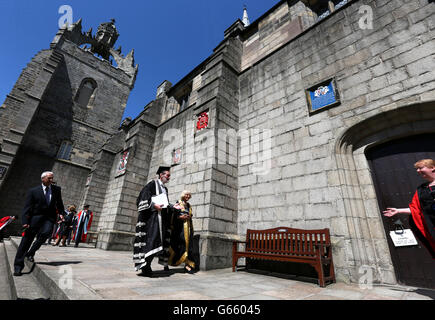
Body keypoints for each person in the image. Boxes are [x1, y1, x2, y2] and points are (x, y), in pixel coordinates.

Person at [13, 171, 65, 276]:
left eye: (52, 178)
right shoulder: (33, 191)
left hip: (49, 219)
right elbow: (27, 208)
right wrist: (25, 222)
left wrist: (61, 213)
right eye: (49, 178)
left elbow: (59, 203)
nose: (51, 180)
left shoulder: (56, 190)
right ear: (43, 179)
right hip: (34, 219)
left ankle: (31, 252)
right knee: (26, 242)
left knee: (46, 233)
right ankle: (18, 266)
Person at [383, 159, 435, 257]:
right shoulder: (422, 189)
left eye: (421, 168)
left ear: (432, 168)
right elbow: (416, 209)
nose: (418, 171)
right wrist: (398, 211)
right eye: (417, 169)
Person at [133, 166, 174, 276]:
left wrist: (174, 206)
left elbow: (165, 203)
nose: (169, 178)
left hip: (160, 220)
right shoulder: (152, 184)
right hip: (151, 220)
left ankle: (147, 265)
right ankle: (146, 266)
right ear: (161, 175)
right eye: (168, 175)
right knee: (150, 241)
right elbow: (142, 198)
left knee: (156, 242)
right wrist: (153, 205)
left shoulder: (165, 189)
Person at [169, 190, 197, 274]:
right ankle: (167, 263)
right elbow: (174, 216)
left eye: (189, 195)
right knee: (178, 246)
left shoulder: (189, 205)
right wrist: (181, 217)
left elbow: (190, 216)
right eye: (186, 195)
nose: (188, 196)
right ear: (183, 195)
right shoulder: (178, 203)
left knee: (189, 247)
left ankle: (188, 266)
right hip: (179, 229)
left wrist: (188, 216)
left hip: (188, 229)